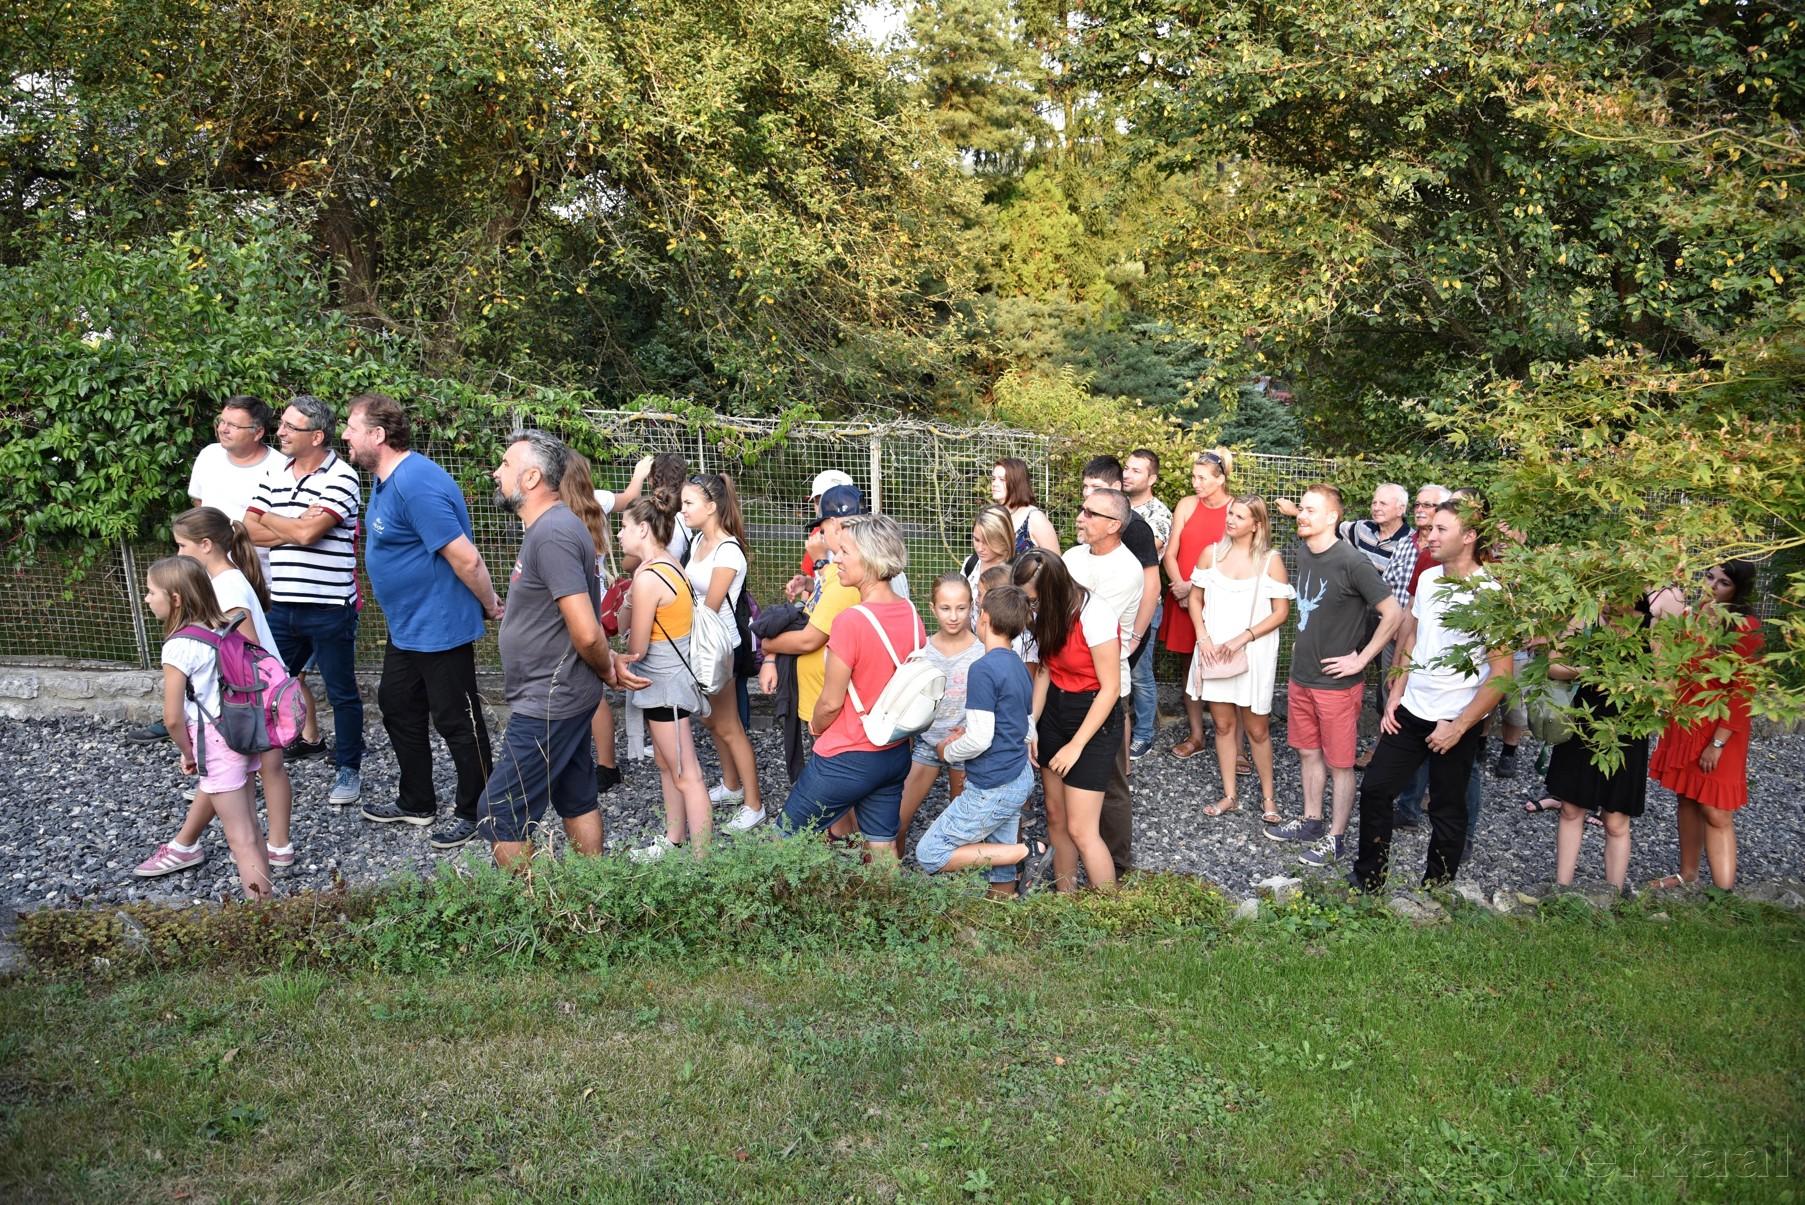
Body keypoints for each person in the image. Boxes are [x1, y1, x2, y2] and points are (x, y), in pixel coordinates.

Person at [342, 393, 502, 848]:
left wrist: (490, 603)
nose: (345, 436)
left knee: (457, 719)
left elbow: (466, 558)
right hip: (408, 626)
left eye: (352, 428)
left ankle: (479, 810)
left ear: (378, 435)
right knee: (397, 705)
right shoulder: (386, 480)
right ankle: (417, 802)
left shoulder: (416, 483)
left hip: (439, 626)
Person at [478, 432, 631, 870]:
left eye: (506, 464)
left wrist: (605, 667)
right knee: (575, 794)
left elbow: (586, 632)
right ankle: (592, 890)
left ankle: (535, 907)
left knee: (500, 811)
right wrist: (605, 661)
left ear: (531, 478)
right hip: (562, 693)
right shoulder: (553, 527)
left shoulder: (552, 534)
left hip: (549, 700)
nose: (496, 472)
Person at [1350, 499, 1511, 891]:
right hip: (1410, 710)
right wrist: (1396, 693)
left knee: (1447, 808)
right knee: (1375, 790)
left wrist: (1459, 727)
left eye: (1441, 529)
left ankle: (1435, 891)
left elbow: (1502, 675)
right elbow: (1413, 638)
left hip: (1455, 719)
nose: (1430, 535)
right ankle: (1368, 881)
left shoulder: (1490, 595)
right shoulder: (1428, 579)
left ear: (1469, 536)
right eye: (1431, 528)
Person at [133, 510, 297, 880]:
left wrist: (191, 747)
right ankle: (265, 846)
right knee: (241, 782)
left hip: (248, 702)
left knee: (238, 783)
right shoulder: (224, 581)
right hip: (251, 700)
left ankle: (203, 847)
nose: (178, 552)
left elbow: (247, 650)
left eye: (182, 545)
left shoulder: (225, 589)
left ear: (206, 545)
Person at [128, 395, 280, 745]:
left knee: (242, 648)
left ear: (258, 432)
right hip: (207, 571)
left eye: (233, 424)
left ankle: (254, 721)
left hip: (257, 572)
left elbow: (251, 650)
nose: (223, 429)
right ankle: (194, 713)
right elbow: (199, 508)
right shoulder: (209, 456)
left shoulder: (279, 466)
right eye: (221, 421)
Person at [1266, 484, 1403, 869]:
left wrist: (1362, 659)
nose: (1302, 515)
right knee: (1308, 752)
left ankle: (1336, 838)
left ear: (1332, 517)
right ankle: (1312, 822)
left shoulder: (1352, 562)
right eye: (1301, 509)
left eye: (1310, 510)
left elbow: (1393, 614)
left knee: (1340, 764)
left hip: (1337, 686)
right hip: (1302, 676)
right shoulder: (1305, 552)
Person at [241, 395, 365, 805]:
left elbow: (308, 534)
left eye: (290, 427)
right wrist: (294, 525)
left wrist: (282, 524)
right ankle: (249, 767)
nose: (280, 432)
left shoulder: (343, 476)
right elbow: (248, 529)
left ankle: (348, 768)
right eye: (282, 424)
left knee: (341, 691)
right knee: (267, 688)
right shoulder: (277, 471)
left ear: (316, 436)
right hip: (281, 605)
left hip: (330, 606)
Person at [779, 514, 926, 859]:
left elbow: (831, 702)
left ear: (871, 559)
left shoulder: (851, 621)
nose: (836, 560)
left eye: (845, 552)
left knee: (783, 841)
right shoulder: (911, 613)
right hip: (893, 751)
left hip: (848, 756)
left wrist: (816, 726)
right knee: (882, 847)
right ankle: (887, 898)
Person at [140, 555, 273, 899]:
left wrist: (188, 753)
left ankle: (265, 916)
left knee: (239, 838)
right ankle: (271, 906)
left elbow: (172, 717)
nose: (146, 598)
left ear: (175, 599)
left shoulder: (178, 646)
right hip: (242, 731)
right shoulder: (222, 628)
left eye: (151, 591)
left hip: (215, 742)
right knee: (251, 829)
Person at [919, 584, 1046, 898]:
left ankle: (1030, 851)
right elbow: (1024, 726)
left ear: (984, 618)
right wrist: (970, 734)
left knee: (931, 852)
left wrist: (947, 751)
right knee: (999, 860)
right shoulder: (1018, 665)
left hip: (993, 784)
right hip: (1018, 776)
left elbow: (979, 739)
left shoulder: (983, 669)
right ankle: (1000, 913)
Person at [1648, 560, 1764, 892]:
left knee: (1716, 811)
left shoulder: (1746, 627)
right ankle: (1687, 875)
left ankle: (1723, 894)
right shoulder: (1695, 617)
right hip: (1686, 721)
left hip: (1720, 727)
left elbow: (1743, 692)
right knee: (1687, 797)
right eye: (1709, 577)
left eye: (1723, 582)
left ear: (1738, 589)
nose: (1711, 586)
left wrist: (1718, 743)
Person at [1526, 599, 1653, 894]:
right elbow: (1554, 665)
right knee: (1571, 808)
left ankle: (1613, 895)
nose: (1608, 604)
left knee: (1616, 820)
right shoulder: (1587, 616)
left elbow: (1665, 684)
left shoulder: (1653, 627)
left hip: (1627, 730)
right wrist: (1585, 671)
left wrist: (1631, 684)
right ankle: (1561, 891)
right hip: (1583, 720)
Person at [1014, 550, 1121, 892]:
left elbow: (1111, 688)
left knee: (1081, 829)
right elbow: (1045, 670)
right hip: (1055, 711)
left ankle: (1111, 910)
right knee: (1056, 817)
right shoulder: (1046, 611)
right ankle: (1066, 900)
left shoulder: (1095, 613)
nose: (1030, 608)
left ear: (1053, 589)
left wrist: (1076, 746)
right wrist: (1032, 723)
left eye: (1033, 600)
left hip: (1092, 715)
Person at [1065, 474, 1156, 873]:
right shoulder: (1072, 557)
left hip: (1104, 688)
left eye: (1090, 513)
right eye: (1083, 509)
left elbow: (1085, 627)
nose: (1080, 517)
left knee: (1111, 780)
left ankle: (1117, 862)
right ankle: (1071, 849)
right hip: (1065, 680)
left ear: (1114, 525)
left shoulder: (1126, 571)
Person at [1185, 495, 1294, 823]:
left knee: (1258, 729)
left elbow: (1281, 612)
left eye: (1240, 516)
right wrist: (1203, 638)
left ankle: (1269, 797)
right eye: (1230, 513)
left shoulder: (1271, 560)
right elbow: (1195, 598)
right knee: (1222, 725)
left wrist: (1244, 637)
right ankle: (1230, 795)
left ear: (1256, 524)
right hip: (1214, 650)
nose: (1230, 520)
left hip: (1253, 651)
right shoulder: (1211, 554)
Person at [619, 491, 713, 862]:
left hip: (664, 686)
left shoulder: (649, 578)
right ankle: (674, 840)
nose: (619, 535)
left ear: (643, 529)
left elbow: (636, 646)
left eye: (624, 527)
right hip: (666, 684)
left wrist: (629, 602)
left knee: (688, 774)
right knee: (667, 765)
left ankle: (702, 865)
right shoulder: (669, 564)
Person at [758, 489, 865, 782]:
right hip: (816, 695)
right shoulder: (836, 573)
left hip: (829, 703)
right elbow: (816, 604)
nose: (818, 534)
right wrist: (810, 580)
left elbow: (809, 638)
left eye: (822, 527)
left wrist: (767, 645)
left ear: (837, 526)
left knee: (834, 778)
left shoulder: (845, 579)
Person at [680, 471, 765, 833]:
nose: (683, 510)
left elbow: (709, 607)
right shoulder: (698, 539)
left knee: (729, 726)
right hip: (698, 643)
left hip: (719, 648)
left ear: (711, 507)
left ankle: (754, 804)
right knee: (711, 719)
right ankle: (731, 785)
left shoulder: (728, 551)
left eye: (689, 503)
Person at [895, 573, 984, 854]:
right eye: (945, 608)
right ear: (933, 609)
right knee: (895, 822)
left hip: (966, 747)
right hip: (927, 743)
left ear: (972, 606)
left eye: (961, 608)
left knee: (963, 832)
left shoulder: (982, 652)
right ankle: (890, 875)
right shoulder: (922, 651)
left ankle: (960, 879)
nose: (953, 616)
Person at [1379, 482, 1453, 824]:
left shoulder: (1485, 575)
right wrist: (1398, 659)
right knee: (1398, 714)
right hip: (1402, 643)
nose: (1422, 511)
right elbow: (1408, 607)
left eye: (1430, 506)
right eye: (1419, 505)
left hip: (1448, 673)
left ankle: (1441, 816)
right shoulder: (1420, 555)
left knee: (1453, 758)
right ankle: (1407, 802)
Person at [1160, 449, 1235, 759]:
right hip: (1182, 599)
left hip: (1218, 601)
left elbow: (1236, 558)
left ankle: (1234, 744)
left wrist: (1193, 588)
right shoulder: (1187, 505)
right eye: (1193, 477)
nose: (1195, 483)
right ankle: (1196, 735)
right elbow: (1170, 552)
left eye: (1202, 478)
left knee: (1226, 668)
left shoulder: (1235, 509)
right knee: (1189, 667)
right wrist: (1180, 587)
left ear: (1221, 479)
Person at [560, 453, 625, 795]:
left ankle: (606, 766)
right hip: (592, 604)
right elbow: (630, 496)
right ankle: (603, 763)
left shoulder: (556, 512)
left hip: (574, 605)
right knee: (588, 687)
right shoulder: (597, 501)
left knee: (588, 688)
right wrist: (640, 473)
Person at [990, 457, 1059, 555]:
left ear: (1017, 482)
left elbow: (1056, 561)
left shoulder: (1035, 518)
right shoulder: (995, 515)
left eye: (1002, 479)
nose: (994, 484)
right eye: (993, 479)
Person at [962, 505, 1016, 619]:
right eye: (976, 539)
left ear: (1003, 538)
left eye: (987, 542)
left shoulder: (1016, 573)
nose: (979, 548)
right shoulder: (970, 564)